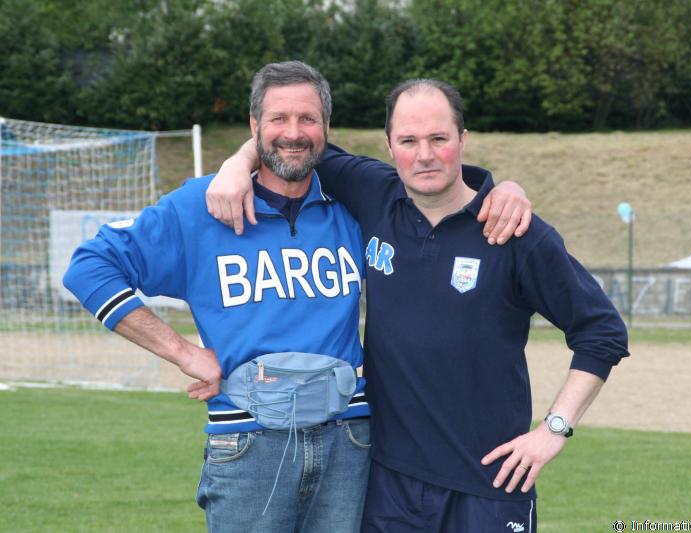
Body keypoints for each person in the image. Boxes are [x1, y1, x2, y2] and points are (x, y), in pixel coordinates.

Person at [63, 62, 530, 533]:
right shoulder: (204, 206)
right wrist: (182, 352)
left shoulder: (354, 204)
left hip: (350, 440)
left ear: (326, 127)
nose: (293, 132)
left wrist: (504, 190)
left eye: (307, 119)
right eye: (278, 119)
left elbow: (444, 193)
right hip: (248, 442)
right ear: (254, 126)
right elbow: (89, 267)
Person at [207, 78, 630, 532]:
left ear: (463, 140)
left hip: (489, 486)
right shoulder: (373, 192)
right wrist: (237, 164)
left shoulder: (512, 230)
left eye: (438, 139)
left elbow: (602, 332)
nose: (424, 155)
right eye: (408, 141)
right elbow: (292, 143)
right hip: (388, 487)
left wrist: (554, 430)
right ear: (390, 146)